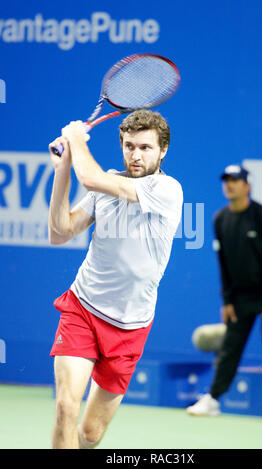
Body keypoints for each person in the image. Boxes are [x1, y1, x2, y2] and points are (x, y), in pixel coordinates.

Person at [48, 110, 183, 449]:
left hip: (131, 326)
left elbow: (91, 178)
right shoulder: (104, 184)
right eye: (129, 146)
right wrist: (62, 170)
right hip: (84, 309)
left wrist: (77, 141)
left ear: (163, 150)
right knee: (66, 408)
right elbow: (60, 232)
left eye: (145, 148)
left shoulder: (167, 189)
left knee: (91, 433)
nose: (136, 155)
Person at [187, 164, 262, 424]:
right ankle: (213, 398)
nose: (230, 184)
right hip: (240, 298)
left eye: (235, 180)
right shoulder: (220, 219)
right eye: (227, 180)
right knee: (229, 349)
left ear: (247, 186)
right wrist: (227, 300)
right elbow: (223, 263)